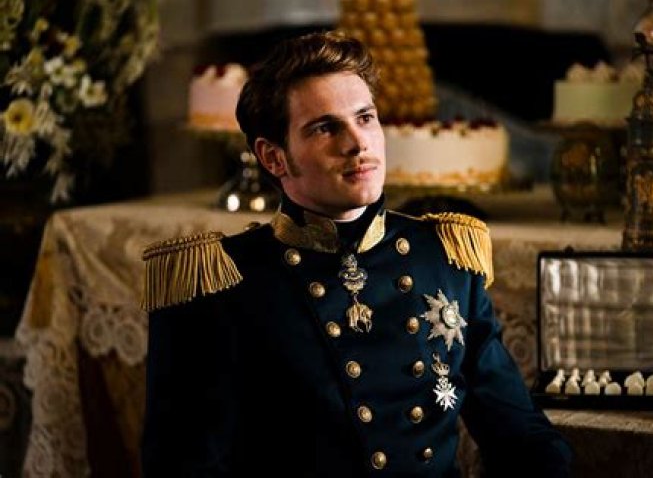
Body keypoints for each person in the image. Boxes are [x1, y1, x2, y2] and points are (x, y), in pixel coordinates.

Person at [141, 31, 573, 477]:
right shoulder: (218, 287)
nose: (357, 143)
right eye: (325, 128)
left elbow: (521, 437)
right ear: (273, 158)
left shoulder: (445, 259)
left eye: (365, 118)